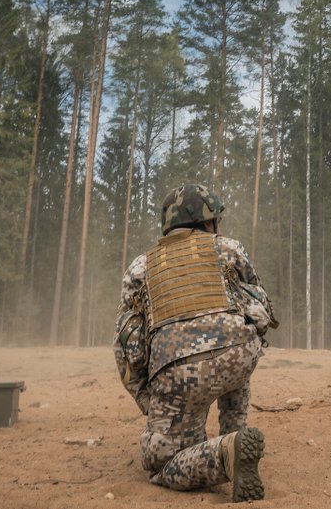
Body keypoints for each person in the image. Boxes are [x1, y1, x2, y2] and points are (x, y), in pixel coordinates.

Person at [113, 184, 278, 502]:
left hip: (181, 374)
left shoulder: (140, 268)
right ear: (206, 222)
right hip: (238, 358)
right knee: (234, 350)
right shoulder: (227, 249)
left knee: (158, 464)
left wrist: (152, 403)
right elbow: (261, 307)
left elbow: (128, 343)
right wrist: (250, 341)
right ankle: (234, 435)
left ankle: (224, 453)